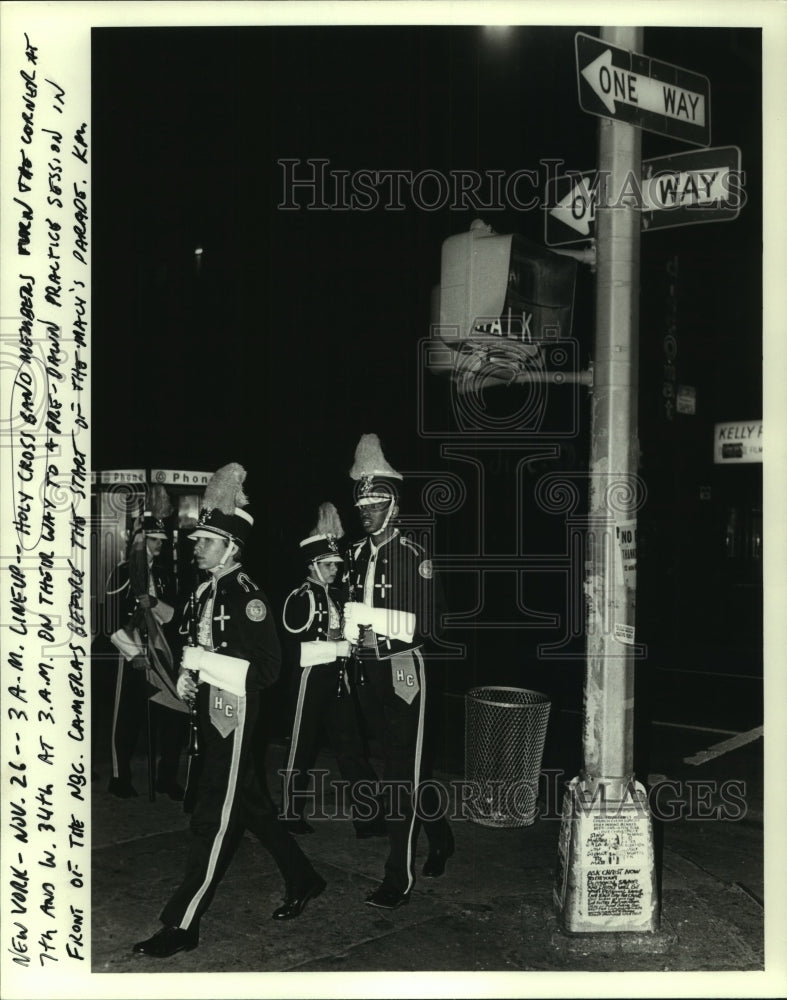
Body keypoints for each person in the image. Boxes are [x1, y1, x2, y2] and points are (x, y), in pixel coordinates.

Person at [133, 463, 326, 959]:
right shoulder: (204, 589)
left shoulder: (248, 597)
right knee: (253, 808)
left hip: (236, 716)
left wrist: (204, 663)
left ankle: (182, 924)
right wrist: (185, 671)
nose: (196, 546)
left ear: (231, 548)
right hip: (212, 714)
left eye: (206, 540)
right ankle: (303, 878)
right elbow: (192, 639)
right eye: (197, 539)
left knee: (211, 818)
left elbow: (267, 669)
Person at [342, 434, 454, 910]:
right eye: (361, 501)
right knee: (404, 765)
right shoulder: (354, 554)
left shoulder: (414, 554)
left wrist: (372, 619)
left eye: (374, 500)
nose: (365, 508)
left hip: (405, 668)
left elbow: (434, 622)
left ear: (393, 503)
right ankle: (441, 837)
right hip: (367, 669)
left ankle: (398, 877)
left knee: (399, 777)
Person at [280, 502, 386, 838]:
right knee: (302, 747)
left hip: (337, 682)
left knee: (352, 748)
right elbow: (297, 649)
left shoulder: (339, 597)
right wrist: (341, 647)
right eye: (328, 565)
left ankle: (368, 817)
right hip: (310, 680)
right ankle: (288, 812)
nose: (335, 571)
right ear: (312, 566)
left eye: (336, 565)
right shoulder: (301, 598)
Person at [105, 488, 189, 799]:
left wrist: (154, 603)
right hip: (130, 651)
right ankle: (120, 776)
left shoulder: (166, 575)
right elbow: (111, 619)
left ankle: (166, 778)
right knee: (127, 716)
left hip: (160, 651)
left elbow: (175, 616)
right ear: (141, 540)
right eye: (153, 540)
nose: (158, 547)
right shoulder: (123, 573)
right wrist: (133, 655)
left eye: (161, 542)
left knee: (173, 713)